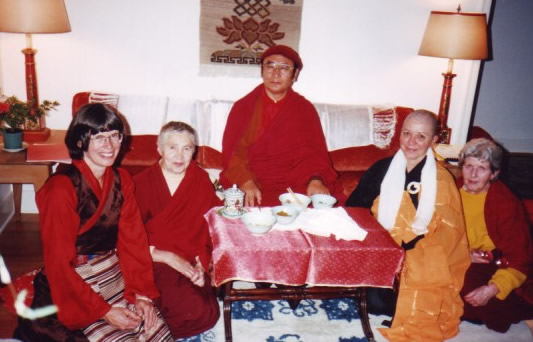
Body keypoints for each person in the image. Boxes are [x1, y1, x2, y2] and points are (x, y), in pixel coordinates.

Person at [14, 103, 173, 341]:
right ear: (80, 142)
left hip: (111, 273)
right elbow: (58, 263)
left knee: (156, 331)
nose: (109, 146)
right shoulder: (60, 189)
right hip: (72, 285)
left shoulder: (122, 180)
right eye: (98, 137)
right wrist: (105, 312)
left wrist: (141, 295)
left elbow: (134, 242)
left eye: (114, 136)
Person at [346, 110, 470, 342]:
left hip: (422, 255)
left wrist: (407, 252)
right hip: (381, 248)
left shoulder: (442, 180)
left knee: (415, 303)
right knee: (372, 303)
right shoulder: (382, 169)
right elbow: (356, 209)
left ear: (434, 141)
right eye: (407, 134)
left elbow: (448, 232)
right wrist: (379, 246)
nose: (411, 142)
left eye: (421, 136)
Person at [219, 44, 344, 207]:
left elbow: (315, 154)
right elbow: (232, 155)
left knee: (323, 212)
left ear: (295, 74)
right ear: (261, 71)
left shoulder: (304, 109)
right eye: (270, 66)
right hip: (255, 183)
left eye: (284, 68)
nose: (276, 73)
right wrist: (245, 181)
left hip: (298, 185)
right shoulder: (243, 108)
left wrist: (316, 179)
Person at [134, 121, 220, 339]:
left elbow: (212, 225)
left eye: (187, 148)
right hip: (153, 260)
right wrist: (167, 257)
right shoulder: (141, 184)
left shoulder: (200, 180)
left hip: (190, 259)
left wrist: (203, 262)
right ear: (159, 149)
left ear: (194, 151)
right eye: (172, 147)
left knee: (208, 313)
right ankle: (141, 318)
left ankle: (149, 322)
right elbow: (128, 238)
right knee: (191, 309)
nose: (179, 156)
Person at [457, 138, 533, 333]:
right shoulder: (451, 191)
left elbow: (520, 257)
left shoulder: (506, 203)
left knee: (470, 294)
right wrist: (462, 252)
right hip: (457, 257)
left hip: (496, 263)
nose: (473, 174)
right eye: (469, 166)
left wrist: (493, 288)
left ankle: (523, 310)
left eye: (482, 168)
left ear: (494, 173)